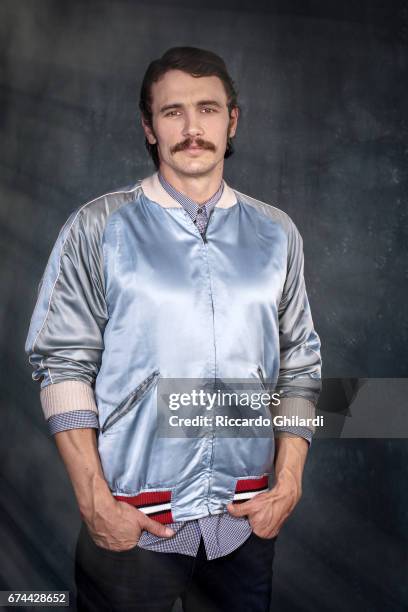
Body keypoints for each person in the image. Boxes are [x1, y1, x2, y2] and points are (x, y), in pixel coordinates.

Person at [25, 46, 322, 612]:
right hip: (133, 525)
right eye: (172, 112)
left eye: (208, 109)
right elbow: (62, 362)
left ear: (232, 120)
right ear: (149, 126)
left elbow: (302, 366)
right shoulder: (100, 226)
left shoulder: (277, 234)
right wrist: (93, 500)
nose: (192, 128)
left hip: (243, 525)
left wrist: (288, 483)